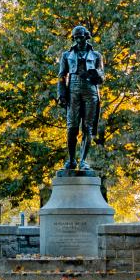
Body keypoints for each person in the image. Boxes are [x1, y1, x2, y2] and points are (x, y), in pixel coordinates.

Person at [56, 25, 104, 171]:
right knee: (72, 127)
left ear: (86, 37)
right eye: (75, 37)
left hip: (91, 91)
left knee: (88, 128)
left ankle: (83, 161)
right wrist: (61, 94)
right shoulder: (66, 55)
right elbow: (61, 76)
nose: (78, 40)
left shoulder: (96, 55)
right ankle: (71, 160)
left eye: (81, 37)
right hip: (73, 90)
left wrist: (93, 74)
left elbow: (102, 77)